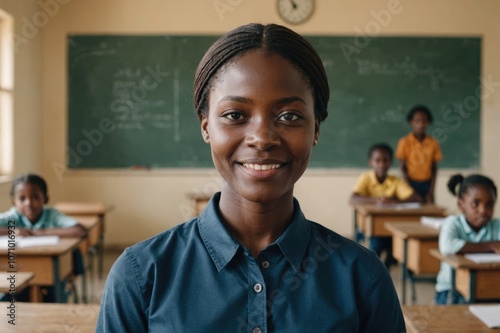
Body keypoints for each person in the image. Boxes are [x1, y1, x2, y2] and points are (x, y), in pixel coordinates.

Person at [96, 23, 405, 332]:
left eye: (289, 117)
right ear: (206, 127)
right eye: (235, 115)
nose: (262, 138)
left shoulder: (363, 277)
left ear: (316, 130)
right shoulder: (141, 275)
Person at [0, 173, 87, 302]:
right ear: (14, 202)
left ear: (45, 199)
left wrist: (39, 233)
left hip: (51, 275)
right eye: (22, 199)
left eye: (35, 197)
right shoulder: (13, 216)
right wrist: (14, 230)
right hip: (19, 274)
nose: (29, 203)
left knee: (52, 297)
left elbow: (80, 230)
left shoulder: (51, 215)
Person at [350, 142, 421, 268]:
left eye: (385, 160)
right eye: (377, 160)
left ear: (390, 162)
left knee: (397, 246)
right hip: (370, 227)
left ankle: (386, 267)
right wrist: (377, 200)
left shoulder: (395, 180)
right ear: (370, 162)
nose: (382, 164)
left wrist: (395, 202)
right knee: (376, 245)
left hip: (391, 228)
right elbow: (353, 198)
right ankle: (374, 267)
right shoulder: (365, 178)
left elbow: (416, 198)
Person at [435, 174, 500, 304]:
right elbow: (447, 247)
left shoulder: (496, 225)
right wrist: (490, 246)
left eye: (489, 205)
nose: (482, 210)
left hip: (487, 288)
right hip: (452, 289)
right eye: (475, 204)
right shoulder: (452, 223)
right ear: (461, 205)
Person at [395, 104, 442, 203]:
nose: (421, 124)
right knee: (410, 213)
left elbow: (434, 169)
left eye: (424, 121)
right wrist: (410, 190)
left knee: (429, 212)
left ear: (428, 123)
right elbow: (402, 167)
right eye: (417, 121)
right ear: (411, 122)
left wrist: (431, 192)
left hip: (427, 185)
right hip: (410, 183)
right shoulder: (404, 142)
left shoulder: (433, 142)